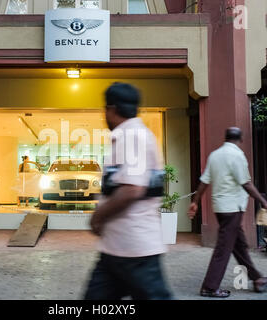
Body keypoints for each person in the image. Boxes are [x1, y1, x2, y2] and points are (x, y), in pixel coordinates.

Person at [84, 82, 173, 300]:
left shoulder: (132, 135)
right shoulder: (126, 135)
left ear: (112, 109)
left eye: (105, 108)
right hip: (117, 246)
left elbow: (132, 188)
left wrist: (97, 217)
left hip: (135, 250)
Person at [188, 127, 267, 298]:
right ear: (240, 139)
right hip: (232, 209)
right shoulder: (237, 155)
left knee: (240, 246)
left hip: (220, 208)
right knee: (223, 249)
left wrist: (195, 202)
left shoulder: (215, 155)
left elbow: (204, 181)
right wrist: (265, 203)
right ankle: (209, 287)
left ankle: (257, 279)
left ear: (226, 137)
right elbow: (247, 184)